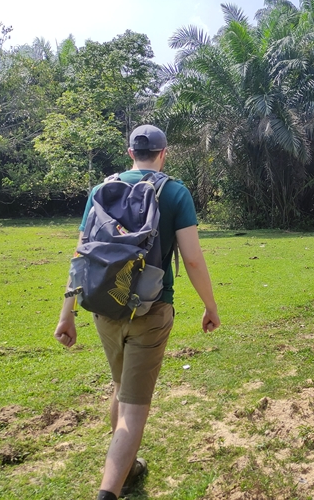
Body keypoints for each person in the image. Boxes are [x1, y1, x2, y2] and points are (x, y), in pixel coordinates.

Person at [53, 124, 220, 500]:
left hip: (102, 307)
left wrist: (67, 313)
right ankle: (109, 491)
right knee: (134, 410)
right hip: (151, 310)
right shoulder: (175, 192)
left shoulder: (101, 190)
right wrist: (210, 306)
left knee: (120, 389)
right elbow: (192, 259)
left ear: (130, 153)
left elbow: (81, 256)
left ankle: (127, 470)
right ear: (164, 154)